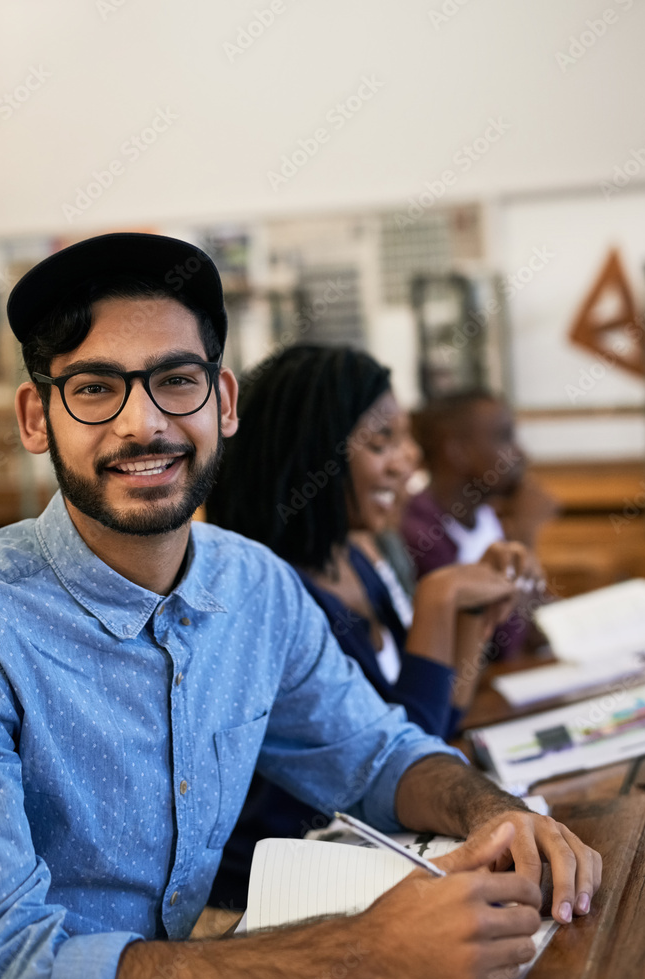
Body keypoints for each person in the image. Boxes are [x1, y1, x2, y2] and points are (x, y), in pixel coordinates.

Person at [0, 234, 600, 979]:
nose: (142, 424)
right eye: (94, 388)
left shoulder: (255, 584)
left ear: (222, 403)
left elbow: (374, 754)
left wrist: (496, 813)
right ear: (36, 418)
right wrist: (363, 953)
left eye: (175, 380)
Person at [204, 345, 540, 906]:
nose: (409, 460)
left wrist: (476, 615)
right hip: (284, 888)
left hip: (373, 849)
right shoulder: (276, 594)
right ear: (311, 455)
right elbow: (390, 762)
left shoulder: (356, 557)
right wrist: (439, 597)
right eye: (381, 441)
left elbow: (438, 721)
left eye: (405, 438)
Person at [402, 391, 555, 659]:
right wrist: (525, 534)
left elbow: (532, 616)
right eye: (504, 437)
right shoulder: (421, 536)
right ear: (457, 452)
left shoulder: (484, 515)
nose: (520, 454)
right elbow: (498, 645)